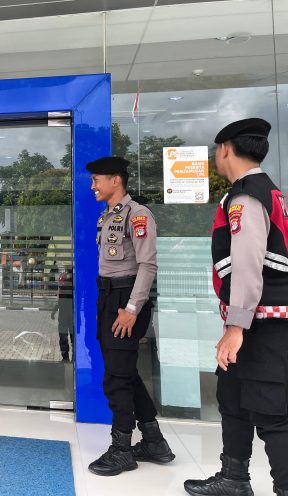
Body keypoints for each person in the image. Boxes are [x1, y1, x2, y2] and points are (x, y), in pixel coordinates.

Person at [184, 118, 288, 496]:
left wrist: (236, 326)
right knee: (233, 399)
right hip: (252, 322)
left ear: (226, 149)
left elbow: (247, 263)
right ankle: (234, 479)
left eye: (217, 150)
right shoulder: (264, 192)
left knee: (272, 413)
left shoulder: (247, 197)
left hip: (263, 325)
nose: (216, 156)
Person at [86, 156, 175, 476]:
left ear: (116, 180)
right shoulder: (107, 215)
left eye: (96, 180)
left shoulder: (138, 214)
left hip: (127, 301)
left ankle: (122, 449)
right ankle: (154, 442)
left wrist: (133, 309)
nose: (93, 186)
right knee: (124, 372)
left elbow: (147, 265)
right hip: (110, 298)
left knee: (116, 378)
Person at [50, 265, 74, 362]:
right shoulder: (65, 281)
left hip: (69, 315)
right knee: (66, 338)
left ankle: (69, 358)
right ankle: (67, 358)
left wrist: (54, 311)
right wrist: (54, 311)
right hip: (67, 315)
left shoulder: (73, 282)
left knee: (68, 338)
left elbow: (59, 300)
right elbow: (59, 299)